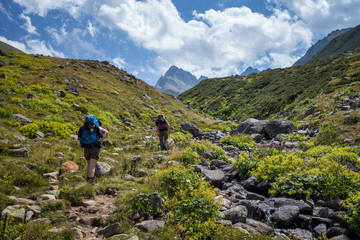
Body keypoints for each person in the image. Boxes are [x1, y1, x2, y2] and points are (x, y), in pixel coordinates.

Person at [78, 115, 108, 183]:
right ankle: (90, 180)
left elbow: (78, 133)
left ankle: (88, 179)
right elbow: (106, 132)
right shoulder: (97, 127)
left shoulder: (83, 128)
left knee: (89, 165)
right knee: (92, 166)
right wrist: (101, 140)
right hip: (95, 147)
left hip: (86, 148)